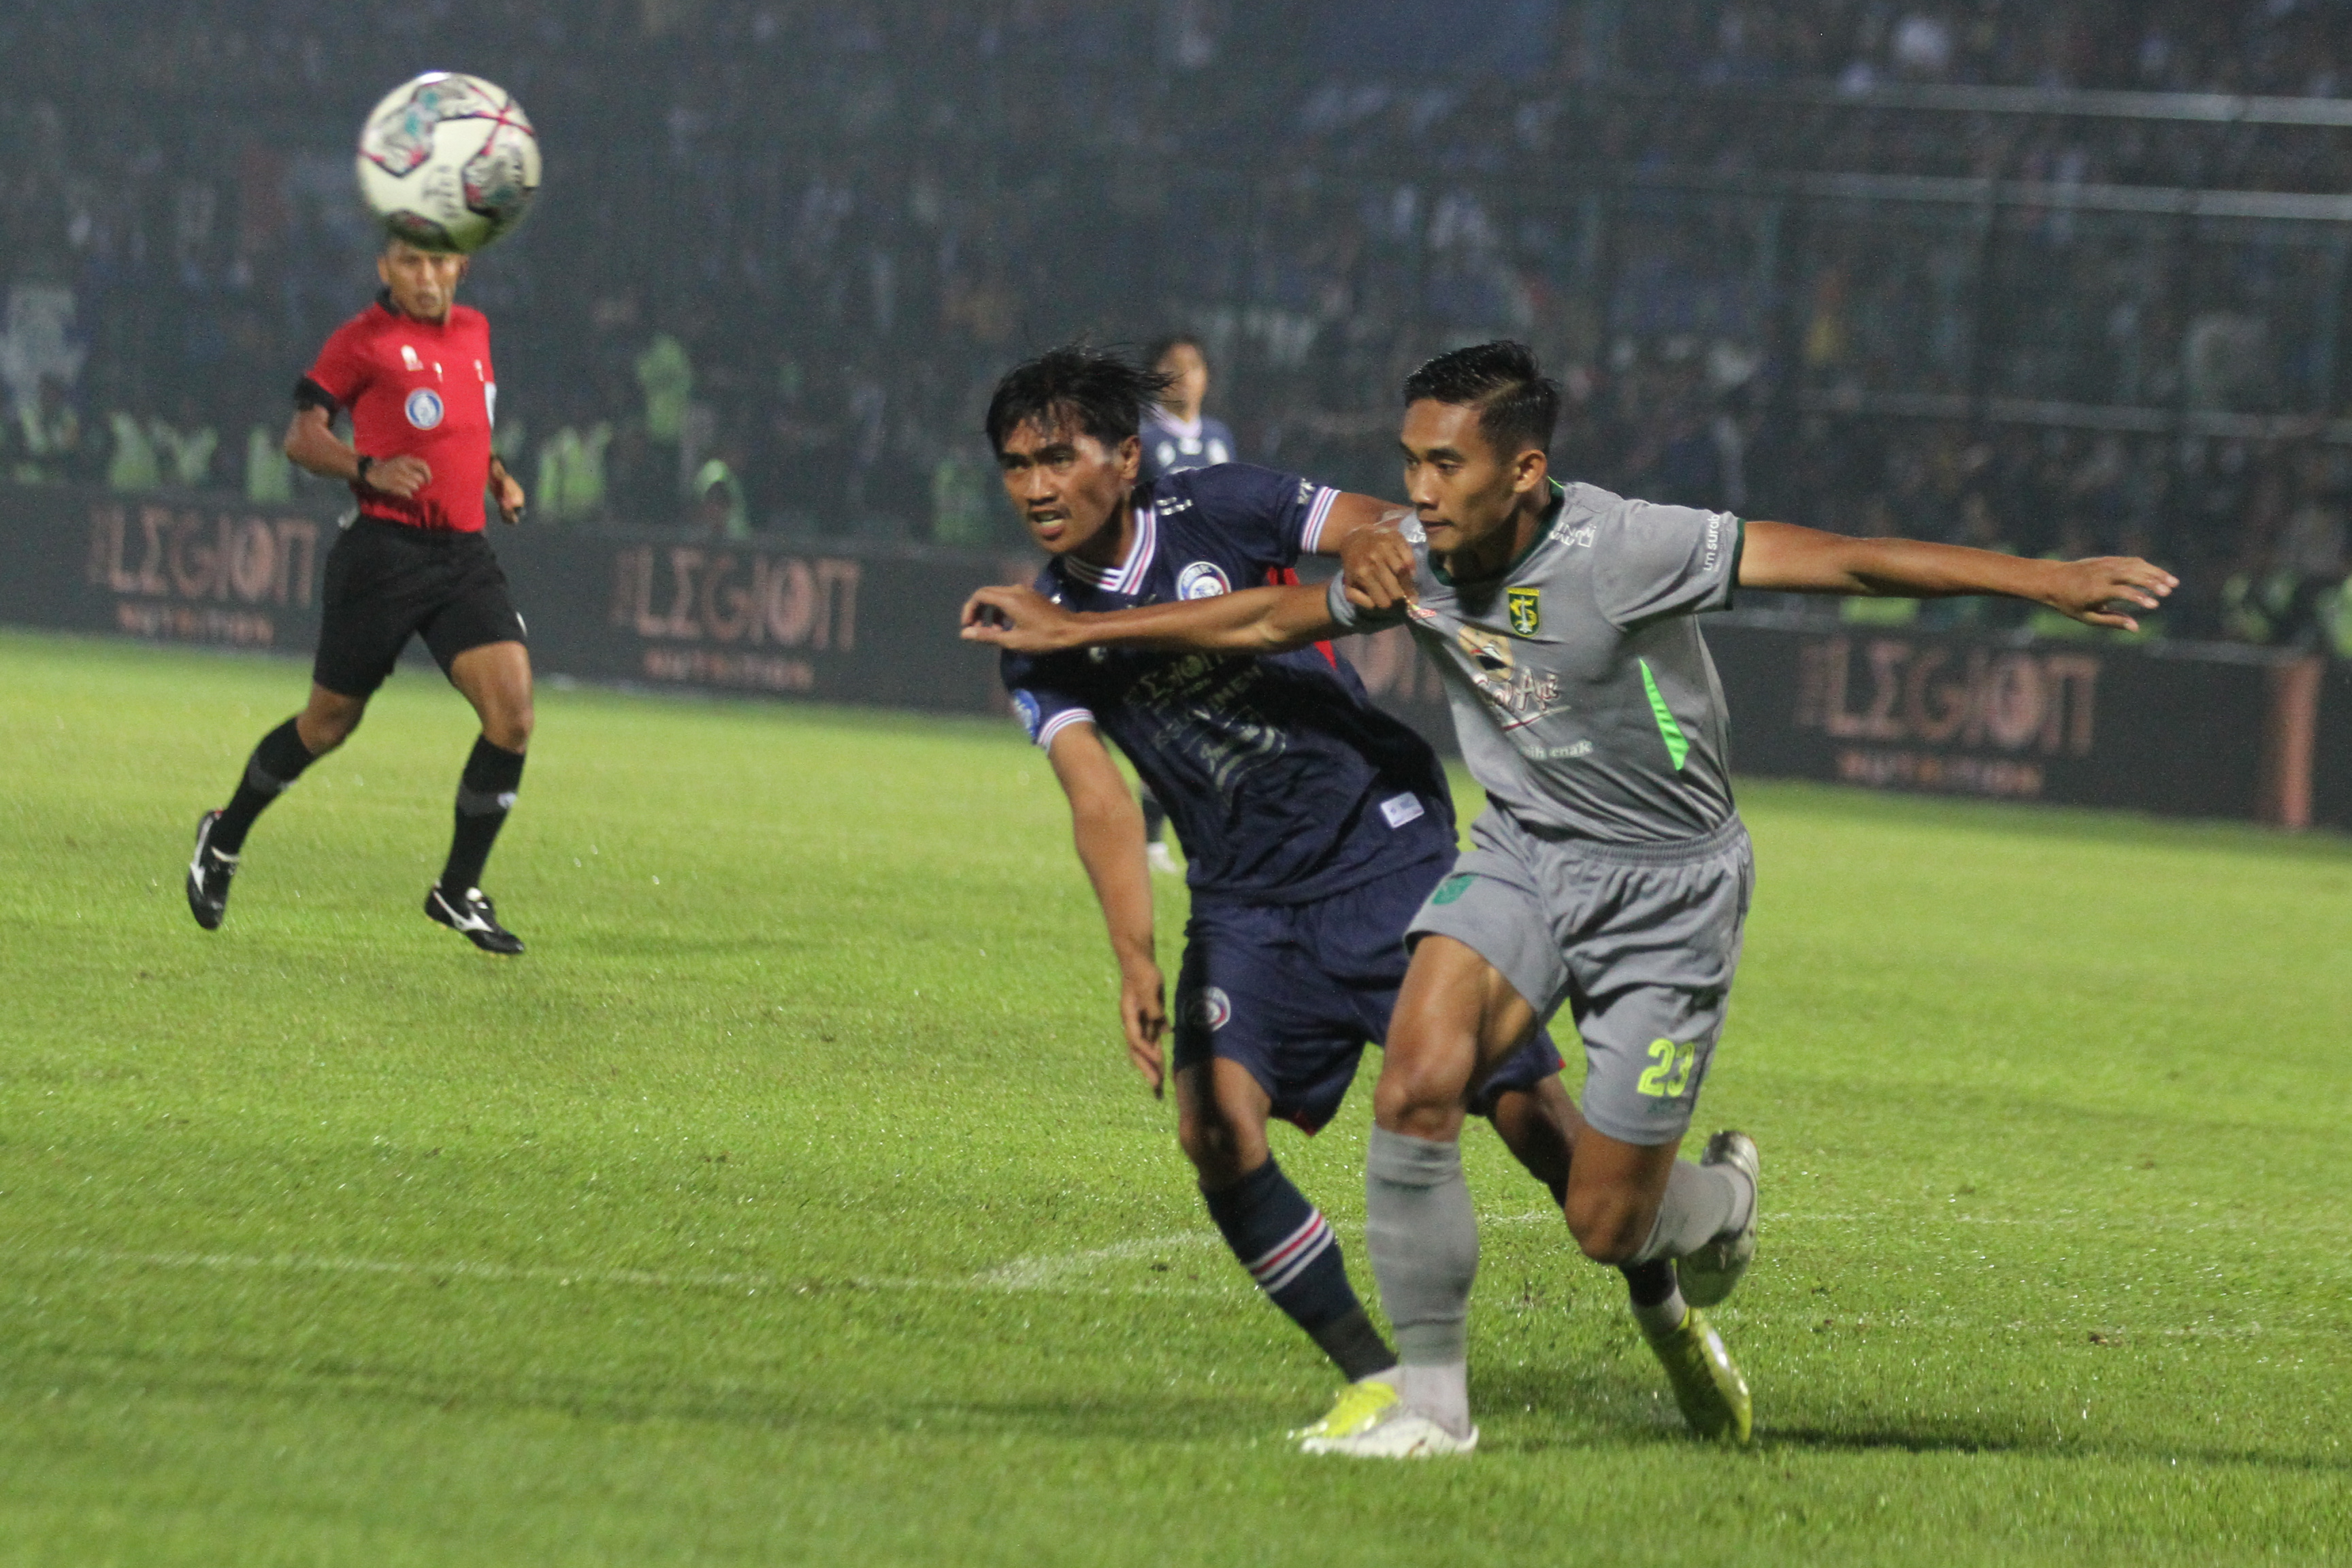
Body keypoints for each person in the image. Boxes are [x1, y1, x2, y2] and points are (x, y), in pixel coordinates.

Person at [962, 340, 2176, 1456]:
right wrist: (1077, 631)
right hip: (1521, 849)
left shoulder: (1624, 545)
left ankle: (1716, 1201)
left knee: (1603, 1213)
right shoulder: (1419, 565)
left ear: (1523, 467)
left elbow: (1840, 558)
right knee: (1418, 1079)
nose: (1416, 493)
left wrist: (2043, 580)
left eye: (1446, 464)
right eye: (1409, 464)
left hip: (1667, 886)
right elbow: (1264, 615)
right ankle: (1429, 1402)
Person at [979, 345, 1584, 1441]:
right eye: (1015, 466)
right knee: (1213, 1125)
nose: (1034, 487)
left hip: (1378, 844)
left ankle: (1660, 1269)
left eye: (1056, 458)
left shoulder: (1217, 503)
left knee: (1527, 1118)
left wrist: (1363, 544)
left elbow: (1373, 522)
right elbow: (1102, 803)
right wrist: (1131, 956)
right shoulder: (1034, 634)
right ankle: (1377, 1375)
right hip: (1245, 901)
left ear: (1124, 458)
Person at [185, 234, 534, 955]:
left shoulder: (476, 331)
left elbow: (467, 423)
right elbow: (300, 438)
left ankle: (456, 890)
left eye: (439, 263)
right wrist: (365, 468)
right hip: (384, 555)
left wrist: (496, 475)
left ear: (461, 268)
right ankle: (224, 837)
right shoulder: (362, 341)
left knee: (513, 717)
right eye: (410, 261)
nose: (427, 276)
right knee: (327, 725)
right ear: (385, 267)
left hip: (463, 554)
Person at [1135, 334, 1241, 872]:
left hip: (1217, 595)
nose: (1183, 377)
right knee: (1175, 719)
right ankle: (1154, 839)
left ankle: (1192, 835)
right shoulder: (1143, 438)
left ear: (1207, 377)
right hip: (1162, 595)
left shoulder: (1221, 438)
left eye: (1193, 366)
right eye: (1170, 368)